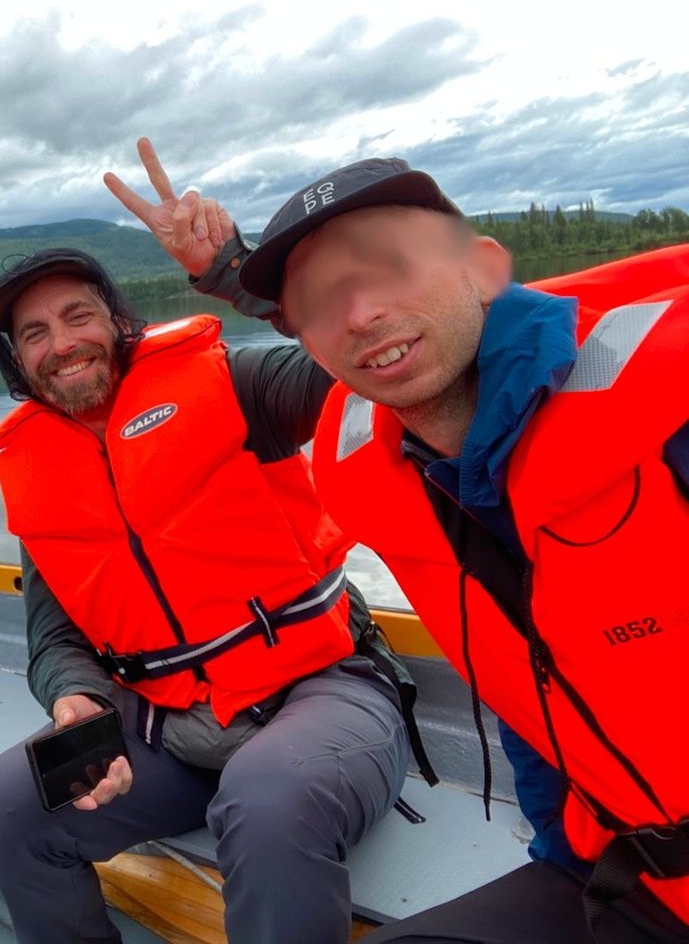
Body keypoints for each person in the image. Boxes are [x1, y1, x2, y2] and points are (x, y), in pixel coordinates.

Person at [125, 139, 689, 942]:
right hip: (623, 878)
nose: (360, 314)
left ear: (484, 266)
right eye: (323, 300)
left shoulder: (671, 412)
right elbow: (530, 692)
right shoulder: (400, 470)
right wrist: (565, 867)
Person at [0, 238, 423, 943]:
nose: (62, 344)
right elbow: (54, 638)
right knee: (5, 811)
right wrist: (76, 698)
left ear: (117, 320)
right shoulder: (37, 474)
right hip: (169, 730)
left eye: (77, 316)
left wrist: (239, 276)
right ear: (17, 361)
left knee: (267, 800)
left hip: (321, 689)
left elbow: (354, 360)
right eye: (35, 333)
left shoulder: (233, 383)